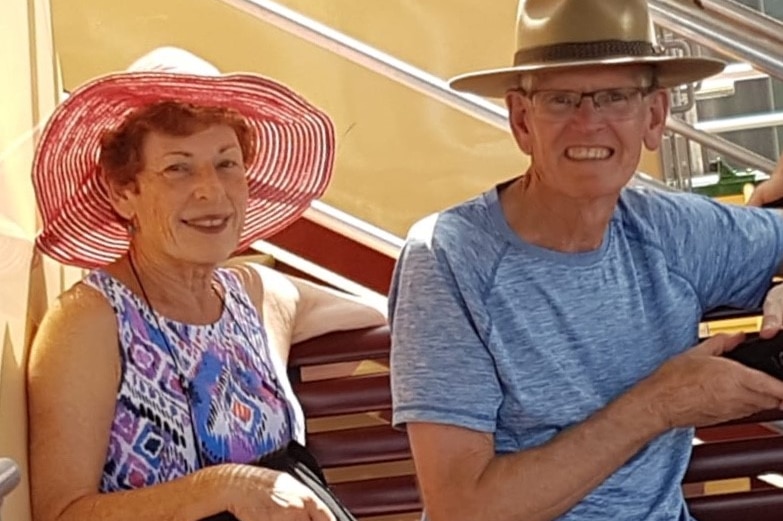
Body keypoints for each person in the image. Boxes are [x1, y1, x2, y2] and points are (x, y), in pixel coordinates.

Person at [389, 1, 783, 520]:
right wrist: (659, 404)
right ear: (521, 119)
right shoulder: (448, 257)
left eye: (616, 96)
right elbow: (463, 510)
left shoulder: (671, 229)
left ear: (655, 116)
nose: (588, 122)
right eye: (560, 99)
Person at [26, 48, 386, 521]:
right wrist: (222, 486)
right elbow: (61, 513)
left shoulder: (254, 295)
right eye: (178, 167)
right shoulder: (91, 322)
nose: (211, 191)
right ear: (123, 192)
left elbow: (377, 310)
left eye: (226, 164)